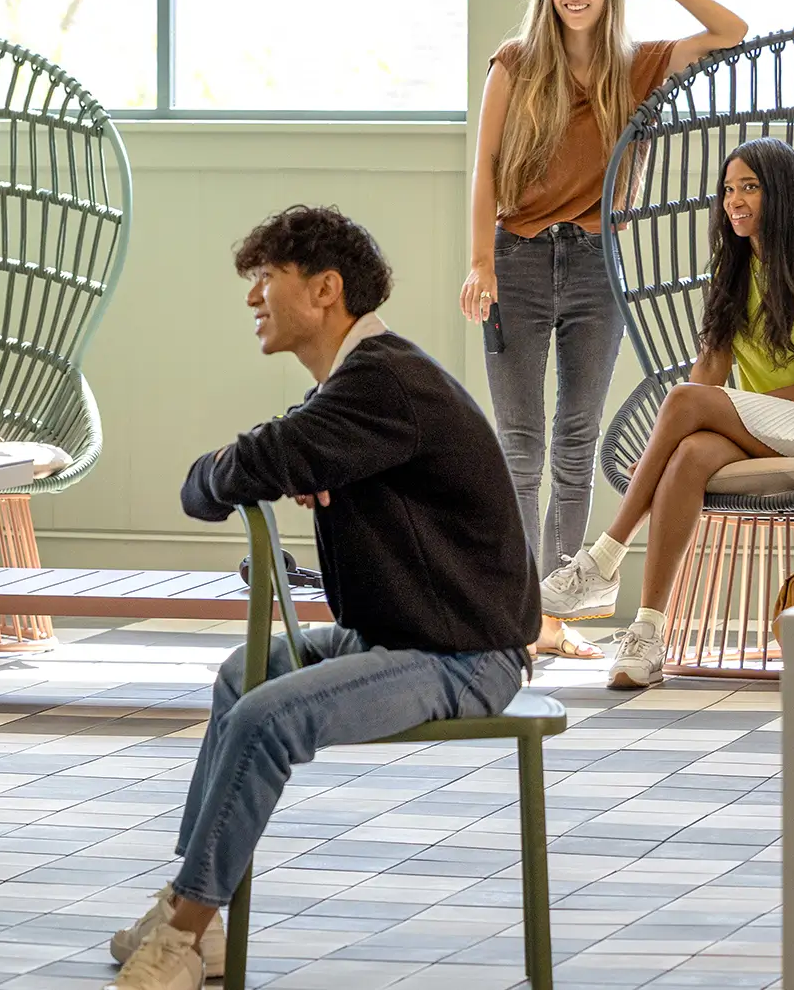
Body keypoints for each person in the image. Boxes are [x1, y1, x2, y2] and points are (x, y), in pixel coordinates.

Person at [103, 206, 537, 990]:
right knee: (245, 676)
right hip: (401, 635)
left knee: (270, 714)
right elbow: (250, 467)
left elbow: (242, 466)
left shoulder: (382, 383)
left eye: (266, 278)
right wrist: (276, 468)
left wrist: (262, 466)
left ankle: (180, 933)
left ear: (326, 289)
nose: (251, 299)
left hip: (463, 654)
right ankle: (195, 914)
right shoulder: (359, 386)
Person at [461, 0, 744, 661]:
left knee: (577, 440)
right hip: (517, 260)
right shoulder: (515, 62)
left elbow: (731, 31)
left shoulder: (640, 66)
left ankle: (557, 613)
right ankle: (517, 613)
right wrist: (479, 263)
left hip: (596, 265)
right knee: (521, 445)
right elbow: (486, 165)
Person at [538, 137, 794, 690]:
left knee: (682, 403)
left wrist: (701, 412)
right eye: (728, 189)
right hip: (763, 427)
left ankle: (605, 557)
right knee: (690, 452)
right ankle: (648, 635)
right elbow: (708, 381)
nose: (734, 200)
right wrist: (671, 445)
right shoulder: (733, 270)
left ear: (783, 193)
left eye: (749, 187)